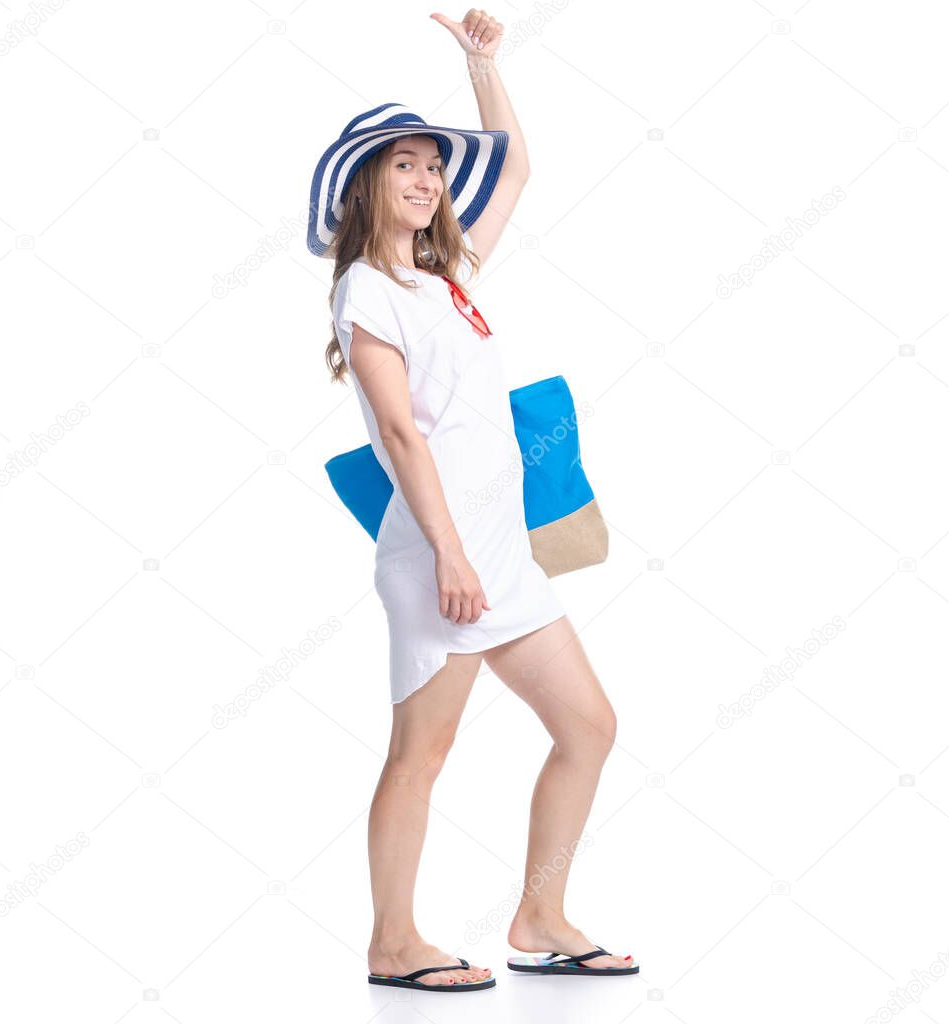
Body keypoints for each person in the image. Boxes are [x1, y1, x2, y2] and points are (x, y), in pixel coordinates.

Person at [308, 8, 636, 992]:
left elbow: (519, 170)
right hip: (436, 557)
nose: (423, 179)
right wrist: (451, 554)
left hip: (499, 556)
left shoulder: (446, 276)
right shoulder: (367, 290)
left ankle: (538, 912)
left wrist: (481, 65)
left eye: (431, 165)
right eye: (401, 165)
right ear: (368, 184)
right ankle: (393, 942)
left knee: (588, 727)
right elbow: (403, 434)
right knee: (422, 750)